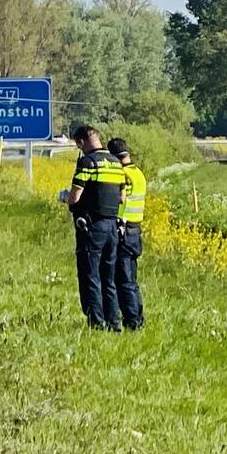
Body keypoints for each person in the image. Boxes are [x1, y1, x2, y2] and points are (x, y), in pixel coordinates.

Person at [65, 125, 126, 330]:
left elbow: (75, 196)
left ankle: (96, 321)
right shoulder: (117, 163)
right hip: (112, 227)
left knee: (90, 274)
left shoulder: (88, 162)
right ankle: (114, 322)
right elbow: (122, 197)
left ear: (81, 142)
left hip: (92, 227)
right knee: (108, 277)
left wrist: (67, 199)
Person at [108, 137, 146, 330]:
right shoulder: (137, 172)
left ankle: (132, 321)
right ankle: (137, 317)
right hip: (136, 229)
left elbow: (121, 201)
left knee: (124, 280)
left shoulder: (122, 174)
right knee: (131, 279)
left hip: (124, 230)